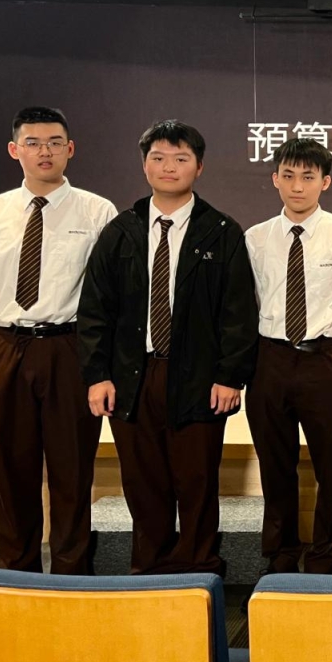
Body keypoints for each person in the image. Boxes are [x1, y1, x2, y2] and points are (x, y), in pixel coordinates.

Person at [79, 120, 258, 575]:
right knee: (143, 482)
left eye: (181, 158)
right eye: (158, 158)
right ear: (144, 165)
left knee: (196, 480)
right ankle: (149, 567)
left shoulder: (221, 231)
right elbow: (94, 310)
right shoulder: (120, 231)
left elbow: (239, 312)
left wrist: (230, 376)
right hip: (132, 377)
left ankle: (199, 567)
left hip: (199, 378)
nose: (168, 167)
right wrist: (97, 375)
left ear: (199, 167)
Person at [0, 106, 116, 574]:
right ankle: (16, 575)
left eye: (54, 142)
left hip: (69, 348)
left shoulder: (98, 211)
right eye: (33, 142)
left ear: (70, 149)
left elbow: (110, 298)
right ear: (14, 150)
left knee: (72, 472)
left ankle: (71, 577)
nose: (44, 151)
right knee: (9, 473)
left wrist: (101, 369)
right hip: (5, 348)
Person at [244, 139, 332, 574]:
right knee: (275, 463)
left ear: (325, 182)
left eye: (308, 177)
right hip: (269, 360)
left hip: (324, 360)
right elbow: (251, 300)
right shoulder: (256, 238)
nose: (297, 186)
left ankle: (323, 553)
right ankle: (281, 553)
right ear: (275, 179)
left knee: (330, 464)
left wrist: (329, 345)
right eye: (289, 176)